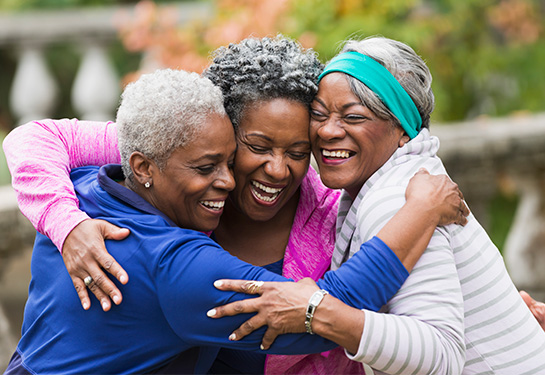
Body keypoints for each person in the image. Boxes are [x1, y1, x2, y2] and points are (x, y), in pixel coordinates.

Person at [2, 36, 467, 374]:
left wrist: (484, 301)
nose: (225, 178)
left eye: (298, 151)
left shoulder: (89, 186)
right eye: (253, 147)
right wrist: (420, 212)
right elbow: (330, 310)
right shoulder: (173, 262)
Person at [207, 36, 545, 374]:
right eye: (319, 114)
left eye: (353, 117)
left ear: (403, 129)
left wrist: (314, 311)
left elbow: (441, 353)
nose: (327, 131)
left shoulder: (397, 200)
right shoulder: (404, 189)